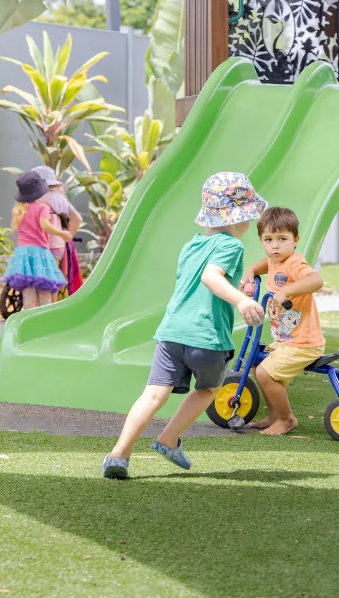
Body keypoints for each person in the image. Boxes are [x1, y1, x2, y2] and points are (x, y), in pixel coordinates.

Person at [102, 172, 267, 479]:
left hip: (171, 332)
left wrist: (236, 287)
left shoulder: (191, 245)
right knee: (208, 389)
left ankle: (119, 454)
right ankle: (168, 438)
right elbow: (211, 277)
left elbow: (198, 281)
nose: (251, 224)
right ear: (236, 218)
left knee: (152, 395)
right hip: (206, 336)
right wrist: (242, 301)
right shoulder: (232, 246)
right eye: (249, 217)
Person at [239, 207, 325, 436]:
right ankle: (274, 415)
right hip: (286, 340)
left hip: (303, 343)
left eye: (282, 239)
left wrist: (287, 291)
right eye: (268, 239)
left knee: (266, 373)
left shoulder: (294, 262)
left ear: (295, 240)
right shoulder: (273, 260)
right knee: (258, 366)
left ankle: (287, 419)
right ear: (261, 241)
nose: (275, 246)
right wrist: (249, 272)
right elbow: (260, 266)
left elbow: (316, 280)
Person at [2, 171, 72, 310]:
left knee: (28, 293)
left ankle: (28, 321)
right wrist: (61, 234)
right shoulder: (42, 208)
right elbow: (45, 226)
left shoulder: (19, 209)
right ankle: (43, 323)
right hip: (39, 252)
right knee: (44, 293)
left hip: (22, 253)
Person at [31, 165, 82, 279]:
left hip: (39, 245)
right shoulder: (61, 199)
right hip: (58, 245)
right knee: (52, 279)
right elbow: (77, 219)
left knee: (37, 278)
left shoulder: (39, 200)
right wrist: (66, 237)